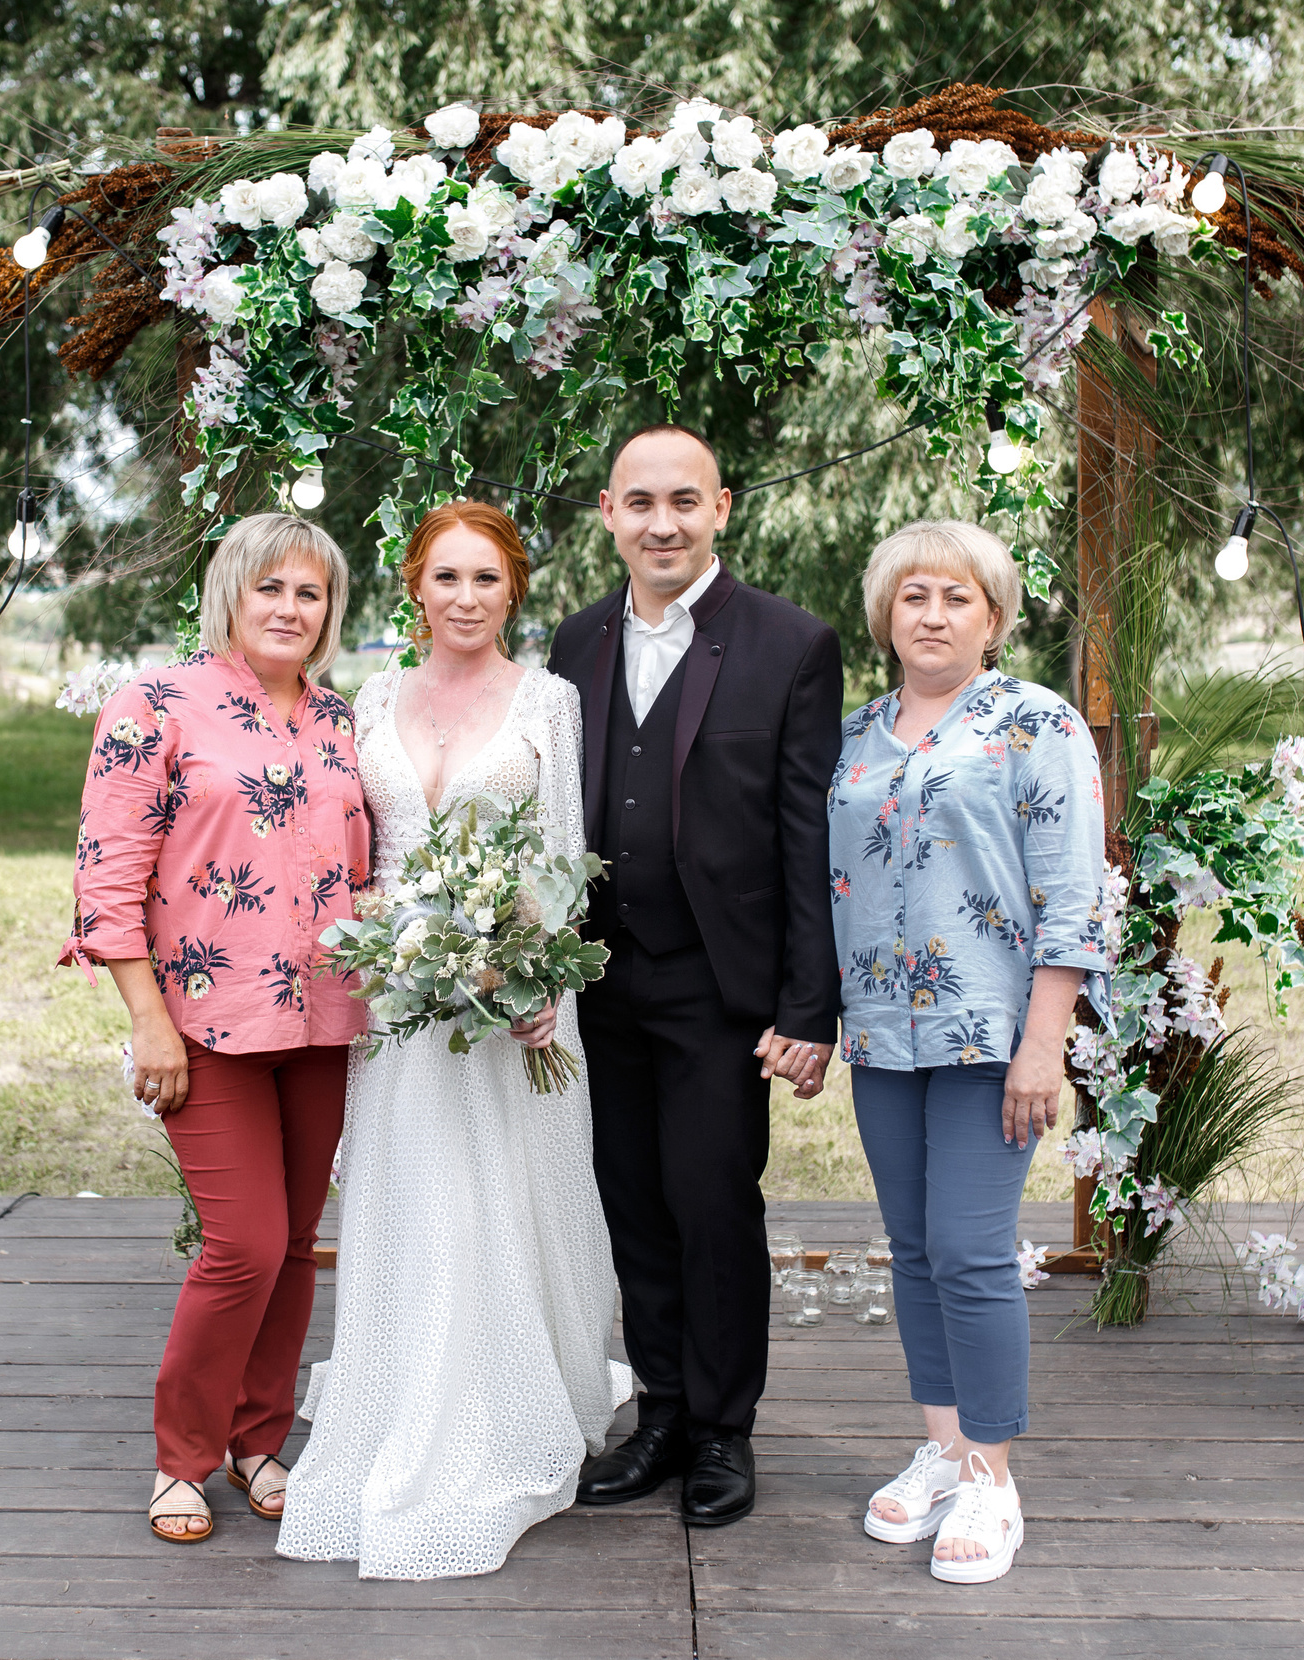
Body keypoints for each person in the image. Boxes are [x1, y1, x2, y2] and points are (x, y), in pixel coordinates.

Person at [278, 500, 630, 1581]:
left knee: (497, 1200)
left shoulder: (551, 703)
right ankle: (400, 1394)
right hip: (392, 1000)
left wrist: (534, 982)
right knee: (406, 1197)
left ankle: (501, 1410)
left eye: (486, 579)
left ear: (512, 589)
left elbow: (566, 860)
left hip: (506, 990)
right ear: (413, 588)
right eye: (446, 579)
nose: (466, 599)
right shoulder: (370, 698)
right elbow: (347, 841)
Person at [545, 425, 845, 1528]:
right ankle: (661, 1411)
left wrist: (808, 1007)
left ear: (721, 507)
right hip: (597, 979)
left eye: (683, 501)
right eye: (639, 503)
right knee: (630, 1202)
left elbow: (809, 836)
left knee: (711, 1203)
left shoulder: (790, 644)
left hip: (723, 990)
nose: (660, 523)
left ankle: (723, 1429)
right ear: (610, 515)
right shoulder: (572, 645)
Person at [59, 512, 369, 1546]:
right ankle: (182, 1458)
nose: (289, 607)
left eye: (309, 592)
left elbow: (358, 871)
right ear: (232, 593)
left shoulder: (337, 720)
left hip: (324, 1017)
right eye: (270, 587)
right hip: (204, 1020)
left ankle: (257, 1440)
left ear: (330, 611)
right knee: (241, 1244)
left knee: (290, 1248)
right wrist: (147, 1022)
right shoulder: (156, 704)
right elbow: (107, 877)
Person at [826, 520, 1109, 1585]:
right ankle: (942, 1448)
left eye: (956, 598)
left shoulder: (1035, 724)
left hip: (992, 1035)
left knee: (970, 1250)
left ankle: (993, 1474)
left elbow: (1073, 895)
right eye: (913, 597)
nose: (932, 616)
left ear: (991, 618)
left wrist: (1046, 1043)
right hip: (882, 1035)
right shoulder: (854, 737)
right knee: (912, 1247)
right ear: (884, 615)